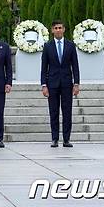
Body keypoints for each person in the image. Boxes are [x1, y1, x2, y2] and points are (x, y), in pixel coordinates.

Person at [40, 20, 80, 148]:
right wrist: (44, 85)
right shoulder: (48, 46)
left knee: (67, 112)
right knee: (54, 112)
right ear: (52, 30)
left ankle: (66, 139)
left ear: (64, 29)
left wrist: (76, 83)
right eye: (55, 28)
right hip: (52, 84)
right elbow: (43, 67)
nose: (58, 30)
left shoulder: (70, 45)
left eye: (60, 28)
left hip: (67, 83)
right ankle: (55, 138)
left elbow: (75, 65)